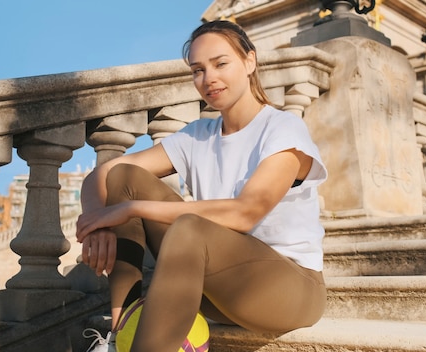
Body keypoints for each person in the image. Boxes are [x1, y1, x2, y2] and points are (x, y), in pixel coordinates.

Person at [77, 20, 328, 352]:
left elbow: (244, 214)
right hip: (217, 289)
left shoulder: (283, 129)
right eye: (198, 70)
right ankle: (120, 334)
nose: (209, 78)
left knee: (189, 228)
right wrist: (98, 220)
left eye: (220, 63)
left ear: (249, 61)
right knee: (125, 177)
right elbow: (104, 175)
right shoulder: (197, 136)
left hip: (289, 290)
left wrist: (128, 209)